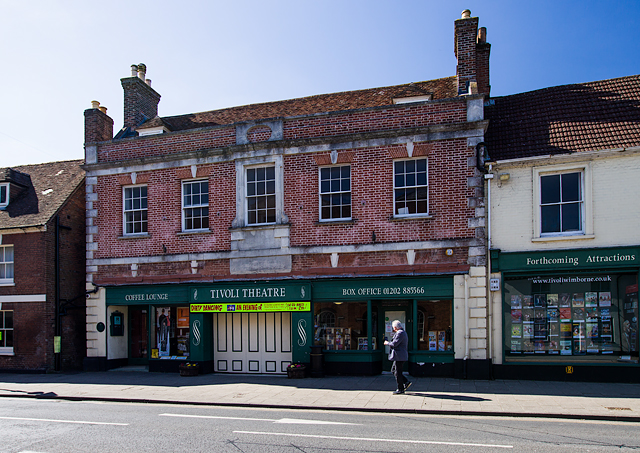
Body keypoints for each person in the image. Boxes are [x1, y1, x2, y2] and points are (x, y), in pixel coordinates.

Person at [384, 320, 411, 394]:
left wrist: (387, 343)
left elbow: (394, 344)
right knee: (393, 370)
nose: (393, 329)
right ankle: (406, 381)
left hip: (399, 356)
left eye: (393, 328)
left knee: (397, 372)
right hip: (399, 356)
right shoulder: (402, 332)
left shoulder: (400, 333)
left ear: (395, 327)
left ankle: (400, 389)